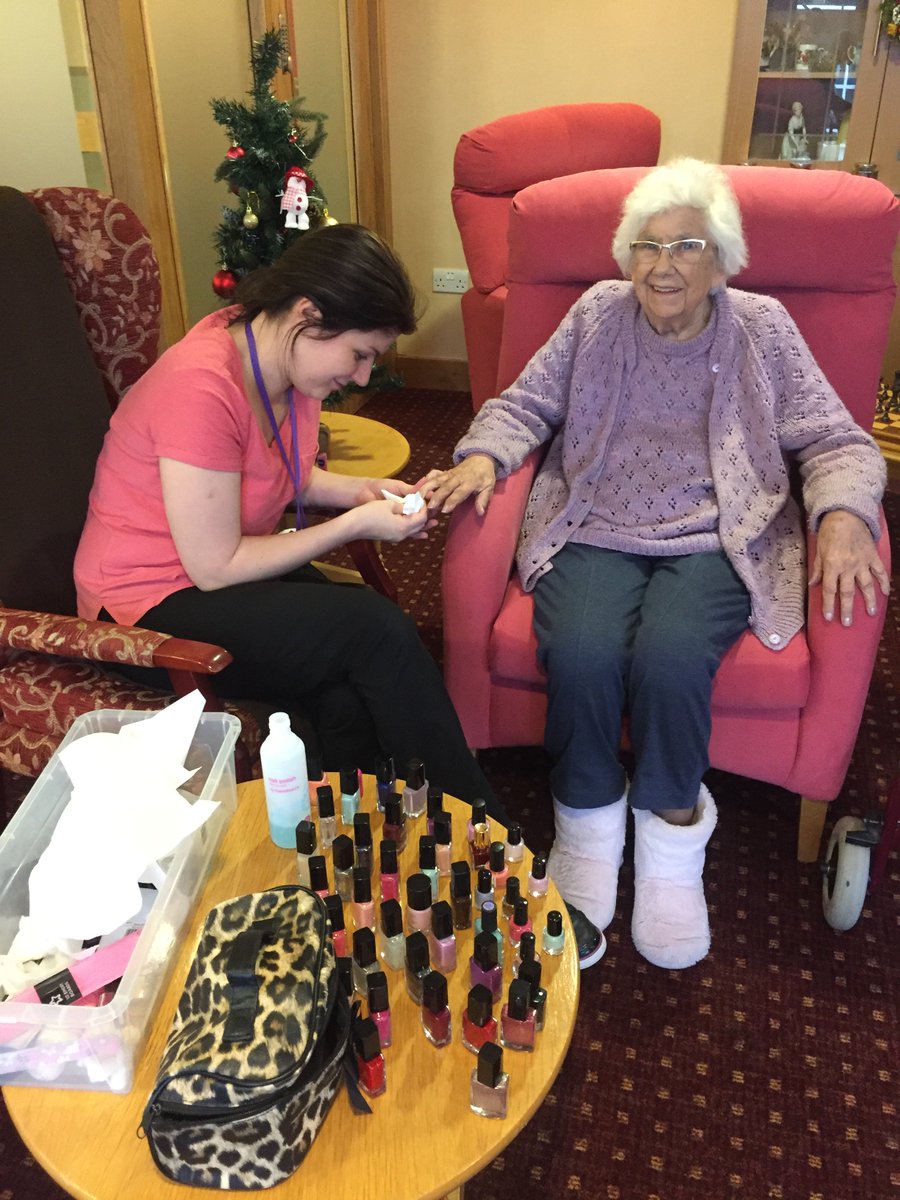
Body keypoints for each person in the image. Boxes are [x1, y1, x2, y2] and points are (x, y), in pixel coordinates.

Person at [424, 159, 888, 970]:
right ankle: (588, 827)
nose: (663, 266)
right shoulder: (596, 314)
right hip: (597, 523)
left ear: (722, 258)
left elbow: (834, 437)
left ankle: (672, 844)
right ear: (624, 255)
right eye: (646, 246)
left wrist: (845, 513)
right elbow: (524, 404)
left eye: (686, 246)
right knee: (581, 649)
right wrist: (485, 458)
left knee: (672, 659)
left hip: (719, 533)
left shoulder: (763, 326)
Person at [74, 223, 502, 816]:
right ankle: (488, 840)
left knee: (346, 687)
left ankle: (369, 843)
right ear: (308, 314)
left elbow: (279, 474)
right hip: (145, 606)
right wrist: (356, 524)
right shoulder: (200, 386)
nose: (359, 377)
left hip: (211, 573)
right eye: (360, 354)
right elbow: (216, 566)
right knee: (373, 632)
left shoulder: (282, 362)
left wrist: (362, 491)